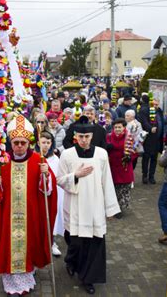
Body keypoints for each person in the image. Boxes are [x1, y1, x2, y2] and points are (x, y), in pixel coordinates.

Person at [0, 115, 57, 296]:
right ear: (10, 142)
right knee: (9, 246)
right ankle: (12, 283)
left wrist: (46, 175)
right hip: (8, 216)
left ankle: (27, 274)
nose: (19, 146)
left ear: (29, 143)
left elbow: (48, 189)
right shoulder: (2, 161)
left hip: (30, 215)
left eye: (22, 143)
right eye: (15, 142)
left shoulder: (38, 161)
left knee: (29, 245)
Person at [57, 115, 120, 295]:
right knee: (76, 243)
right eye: (80, 137)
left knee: (94, 243)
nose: (84, 140)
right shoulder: (67, 155)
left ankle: (88, 278)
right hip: (75, 205)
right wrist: (75, 175)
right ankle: (71, 261)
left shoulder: (101, 154)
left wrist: (110, 208)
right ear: (75, 136)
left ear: (92, 136)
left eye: (87, 137)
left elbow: (107, 180)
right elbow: (60, 180)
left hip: (95, 205)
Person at [36, 131, 65, 257]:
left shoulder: (55, 159)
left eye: (48, 142)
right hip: (38, 195)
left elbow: (59, 176)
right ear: (38, 143)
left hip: (53, 194)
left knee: (52, 217)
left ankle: (52, 243)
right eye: (43, 142)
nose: (46, 145)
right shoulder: (34, 157)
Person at [106, 118, 138, 218]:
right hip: (113, 166)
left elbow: (135, 150)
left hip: (125, 166)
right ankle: (115, 208)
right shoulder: (109, 137)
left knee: (124, 189)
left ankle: (121, 207)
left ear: (124, 127)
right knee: (114, 188)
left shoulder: (129, 137)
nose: (117, 129)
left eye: (119, 127)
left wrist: (130, 157)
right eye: (115, 127)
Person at [137, 95, 167, 184]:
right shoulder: (145, 111)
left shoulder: (159, 111)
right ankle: (145, 175)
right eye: (154, 104)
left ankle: (152, 176)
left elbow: (162, 122)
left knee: (154, 158)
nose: (155, 106)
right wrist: (150, 128)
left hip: (158, 138)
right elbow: (144, 122)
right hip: (149, 138)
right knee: (146, 157)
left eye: (157, 105)